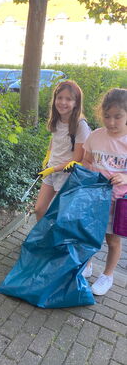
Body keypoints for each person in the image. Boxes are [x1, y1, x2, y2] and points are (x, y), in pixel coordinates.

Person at [75, 88, 127, 295]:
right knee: (90, 234)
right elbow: (87, 160)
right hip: (94, 198)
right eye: (107, 116)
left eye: (118, 117)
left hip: (118, 201)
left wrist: (124, 177)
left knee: (113, 241)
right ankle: (87, 265)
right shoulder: (95, 136)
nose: (111, 122)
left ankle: (107, 275)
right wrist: (87, 171)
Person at [35, 80, 91, 221]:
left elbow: (77, 158)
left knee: (60, 216)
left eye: (68, 99)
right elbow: (54, 140)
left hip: (67, 176)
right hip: (52, 169)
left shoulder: (80, 125)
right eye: (59, 98)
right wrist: (48, 156)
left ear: (76, 103)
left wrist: (53, 169)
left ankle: (58, 242)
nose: (62, 102)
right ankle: (42, 239)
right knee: (39, 209)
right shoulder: (56, 119)